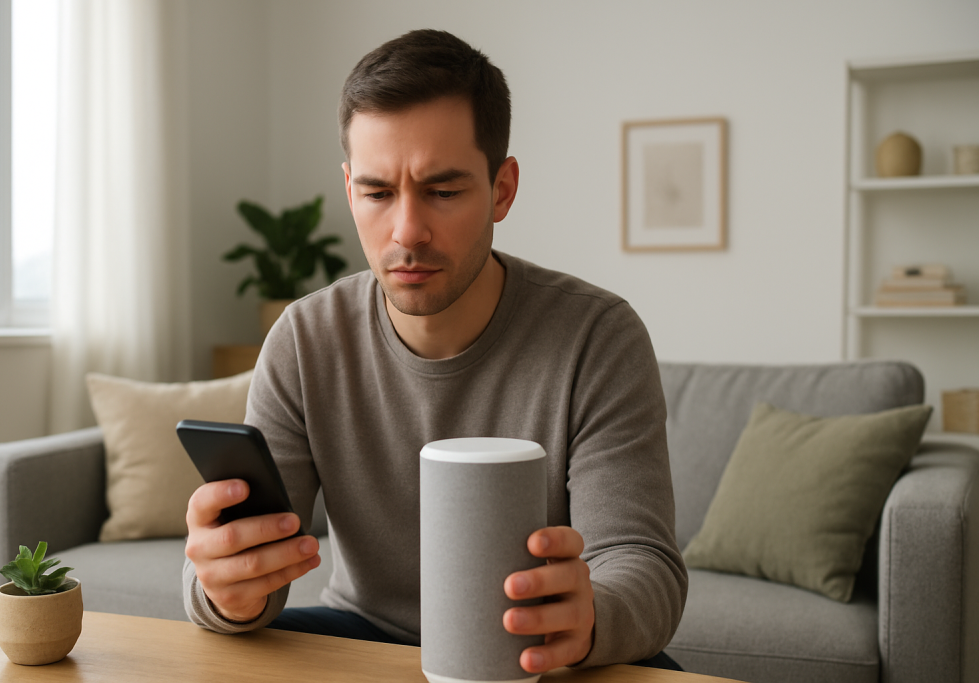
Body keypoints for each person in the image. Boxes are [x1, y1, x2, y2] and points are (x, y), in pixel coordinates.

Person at [183, 28, 687, 673]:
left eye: (443, 192)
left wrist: (590, 618)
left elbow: (640, 563)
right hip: (362, 630)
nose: (407, 231)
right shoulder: (304, 340)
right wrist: (227, 590)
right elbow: (246, 574)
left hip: (537, 650)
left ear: (501, 189)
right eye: (377, 192)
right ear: (349, 190)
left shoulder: (598, 337)